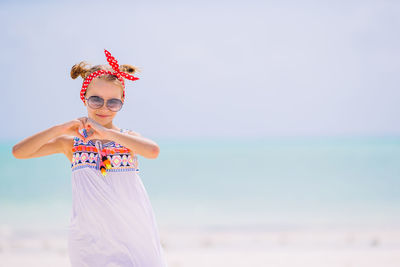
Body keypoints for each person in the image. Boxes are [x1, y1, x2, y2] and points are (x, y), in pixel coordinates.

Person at [12, 49, 169, 267]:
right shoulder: (71, 143)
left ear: (122, 102)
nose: (104, 108)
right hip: (89, 242)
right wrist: (59, 129)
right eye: (96, 100)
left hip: (133, 237)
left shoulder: (128, 139)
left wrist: (109, 134)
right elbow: (19, 152)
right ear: (84, 98)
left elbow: (153, 151)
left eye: (112, 103)